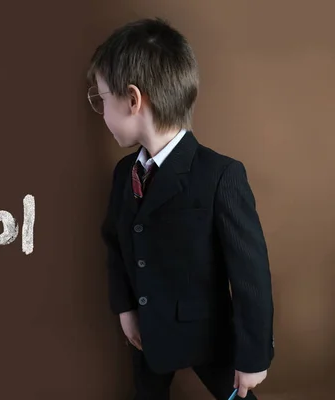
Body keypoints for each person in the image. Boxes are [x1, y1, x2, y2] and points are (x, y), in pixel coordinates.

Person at [87, 18, 275, 399]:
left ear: (133, 99)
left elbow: (250, 276)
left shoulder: (220, 175)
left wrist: (254, 356)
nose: (100, 111)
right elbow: (116, 244)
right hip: (148, 335)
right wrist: (125, 309)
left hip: (208, 336)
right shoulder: (126, 173)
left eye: (101, 98)